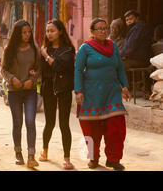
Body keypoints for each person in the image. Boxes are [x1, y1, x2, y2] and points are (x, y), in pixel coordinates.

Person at [75, 18, 132, 171]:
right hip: (92, 94)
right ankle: (93, 157)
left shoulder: (113, 46)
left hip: (112, 92)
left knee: (116, 126)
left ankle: (113, 159)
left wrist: (125, 86)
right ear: (92, 32)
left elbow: (119, 68)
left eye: (105, 28)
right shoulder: (85, 49)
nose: (103, 31)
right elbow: (78, 71)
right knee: (91, 128)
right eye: (99, 29)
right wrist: (78, 91)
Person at [1, 20, 41, 168]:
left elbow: (39, 69)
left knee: (30, 121)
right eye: (24, 32)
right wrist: (12, 79)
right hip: (14, 92)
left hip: (30, 91)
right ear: (17, 33)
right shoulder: (9, 50)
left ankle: (31, 155)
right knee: (17, 123)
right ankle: (18, 153)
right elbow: (3, 69)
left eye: (29, 32)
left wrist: (33, 79)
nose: (27, 35)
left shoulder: (35, 49)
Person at [39, 19, 75, 170]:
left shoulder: (68, 49)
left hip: (64, 88)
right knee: (49, 122)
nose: (49, 34)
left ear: (60, 31)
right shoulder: (44, 49)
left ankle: (66, 158)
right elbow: (41, 69)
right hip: (48, 88)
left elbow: (60, 67)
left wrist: (46, 56)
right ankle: (44, 150)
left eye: (52, 30)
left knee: (64, 124)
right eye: (47, 31)